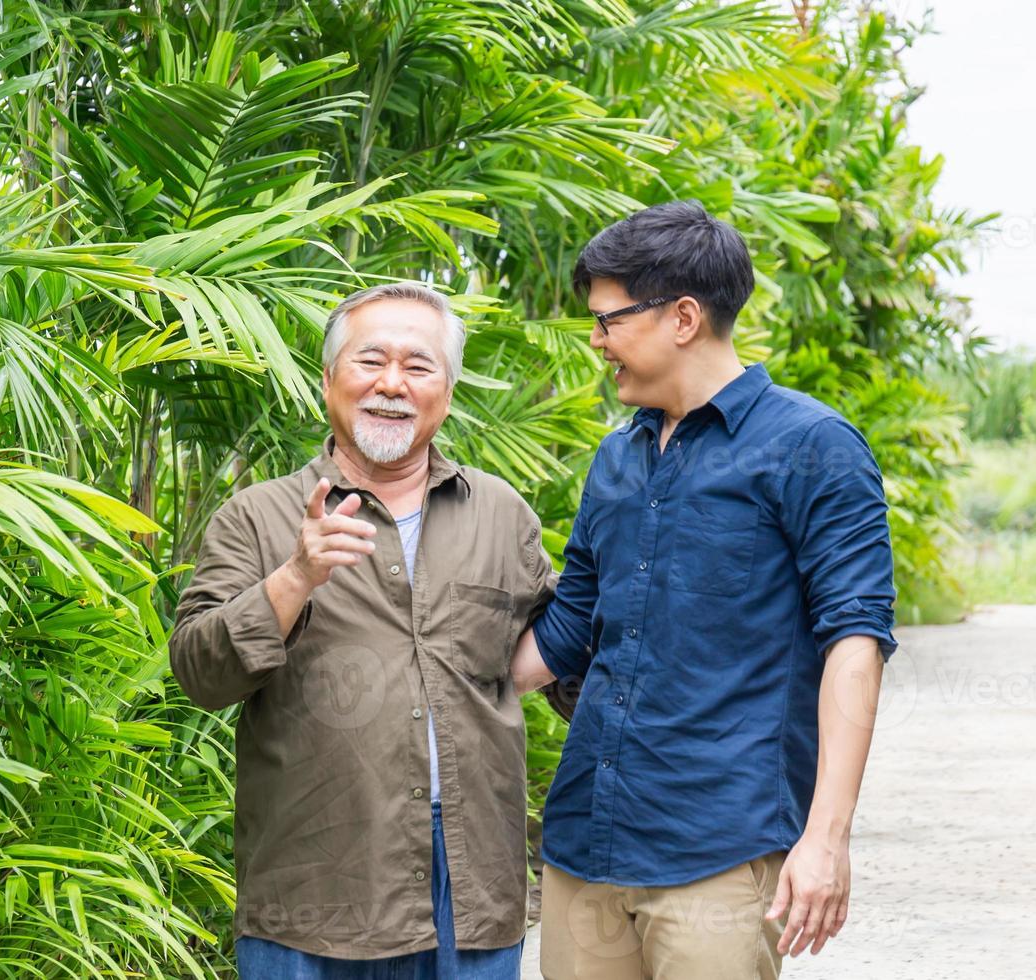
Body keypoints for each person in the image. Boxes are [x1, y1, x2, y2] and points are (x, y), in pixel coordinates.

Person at [511, 201, 898, 979]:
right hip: (586, 840)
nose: (596, 341)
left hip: (719, 848)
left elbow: (854, 642)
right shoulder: (615, 460)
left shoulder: (813, 447)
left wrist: (826, 838)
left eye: (608, 320)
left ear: (682, 316)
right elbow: (563, 637)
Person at [171, 281, 553, 979]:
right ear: (328, 381)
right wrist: (293, 578)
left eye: (418, 365)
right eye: (369, 360)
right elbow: (200, 672)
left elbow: (566, 658)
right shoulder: (257, 517)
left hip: (471, 883)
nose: (391, 384)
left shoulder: (501, 513)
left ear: (448, 387)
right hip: (315, 882)